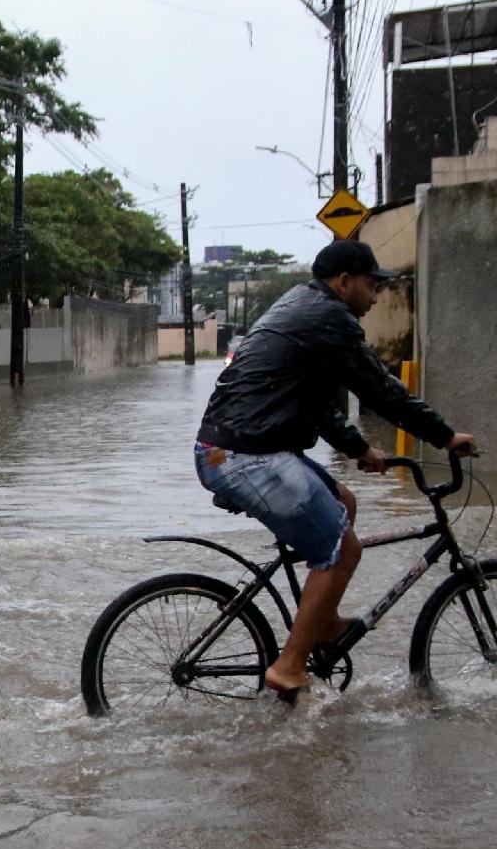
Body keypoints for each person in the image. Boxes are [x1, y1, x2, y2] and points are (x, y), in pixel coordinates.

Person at [194, 240, 478, 698]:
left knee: (343, 503)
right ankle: (288, 666)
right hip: (247, 455)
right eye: (371, 285)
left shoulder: (303, 306)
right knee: (343, 551)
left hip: (242, 448)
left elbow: (314, 403)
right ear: (344, 283)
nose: (376, 295)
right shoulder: (329, 318)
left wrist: (360, 447)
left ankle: (320, 622)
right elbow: (381, 390)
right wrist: (445, 436)